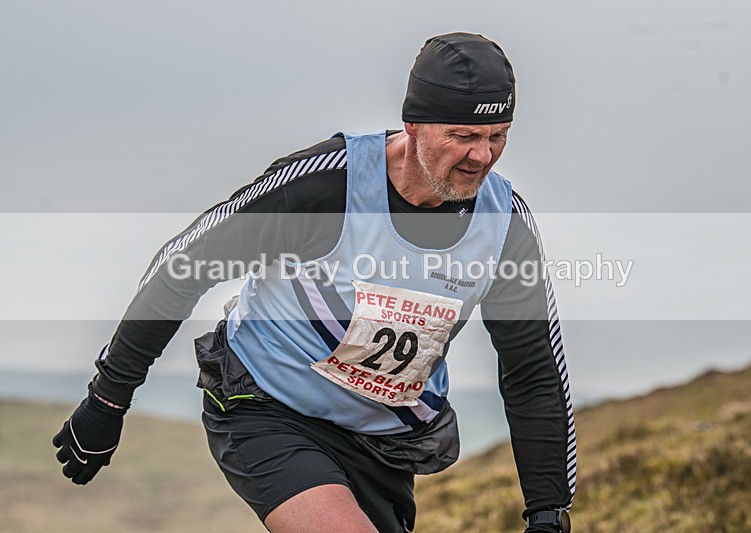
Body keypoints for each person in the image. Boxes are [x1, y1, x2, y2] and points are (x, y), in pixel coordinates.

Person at [53, 32, 576, 532]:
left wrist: (548, 513)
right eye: (463, 136)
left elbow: (532, 371)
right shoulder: (325, 187)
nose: (481, 156)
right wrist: (108, 398)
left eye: (497, 137)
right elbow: (181, 267)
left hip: (385, 441)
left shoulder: (503, 224)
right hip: (266, 405)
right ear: (413, 126)